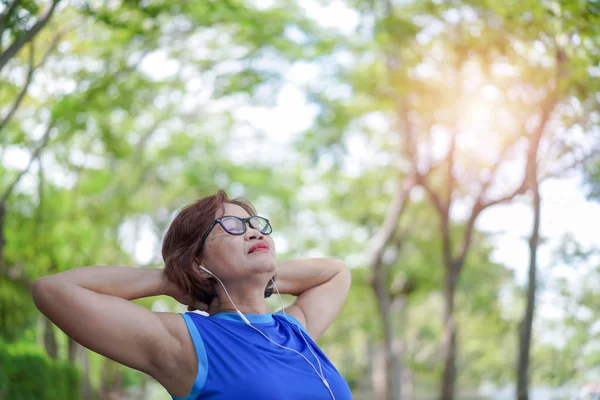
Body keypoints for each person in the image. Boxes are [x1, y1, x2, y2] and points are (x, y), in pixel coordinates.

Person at [32, 190, 353, 399]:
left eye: (254, 224)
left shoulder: (294, 329)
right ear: (198, 261)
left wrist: (263, 274)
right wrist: (172, 279)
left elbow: (336, 272)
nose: (253, 231)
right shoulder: (187, 343)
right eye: (231, 225)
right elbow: (54, 290)